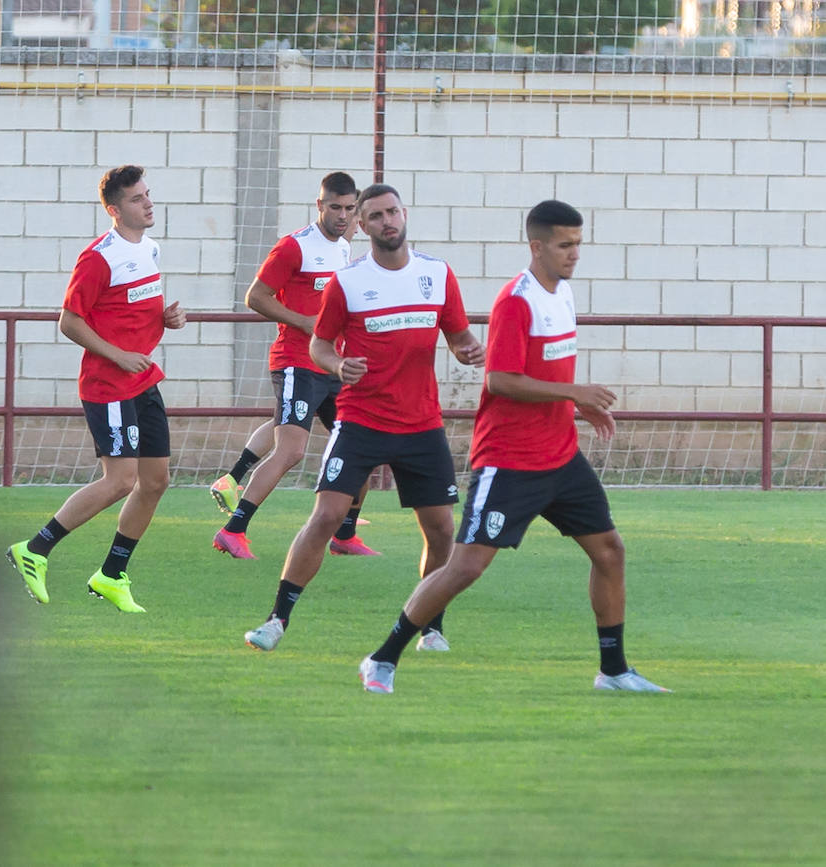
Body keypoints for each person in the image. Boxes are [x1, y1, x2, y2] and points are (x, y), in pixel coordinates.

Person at [357, 200, 670, 694]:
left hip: (561, 456)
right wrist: (574, 393)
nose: (574, 255)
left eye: (578, 245)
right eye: (565, 245)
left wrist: (575, 408)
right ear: (537, 246)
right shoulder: (515, 302)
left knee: (610, 551)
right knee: (466, 566)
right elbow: (501, 380)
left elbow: (545, 372)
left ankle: (613, 671)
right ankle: (382, 658)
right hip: (510, 461)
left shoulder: (562, 293)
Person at [242, 183, 485, 652]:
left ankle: (431, 627)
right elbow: (320, 343)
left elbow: (457, 335)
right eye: (375, 216)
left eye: (392, 212)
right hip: (361, 421)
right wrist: (336, 365)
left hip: (421, 424)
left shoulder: (437, 274)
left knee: (441, 529)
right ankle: (276, 620)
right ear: (362, 225)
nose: (387, 221)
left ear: (405, 214)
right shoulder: (348, 282)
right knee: (327, 516)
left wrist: (467, 350)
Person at [6, 165, 186, 613]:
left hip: (143, 381)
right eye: (136, 199)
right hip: (109, 386)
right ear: (113, 210)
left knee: (156, 480)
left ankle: (111, 575)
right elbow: (69, 321)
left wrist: (165, 319)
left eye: (148, 195)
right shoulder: (98, 257)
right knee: (120, 481)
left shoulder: (151, 249)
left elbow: (132, 309)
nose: (148, 203)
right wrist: (118, 355)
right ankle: (35, 548)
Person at [211, 171, 379, 561]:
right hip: (295, 363)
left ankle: (345, 535)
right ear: (319, 205)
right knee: (291, 451)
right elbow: (256, 297)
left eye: (348, 209)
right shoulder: (294, 247)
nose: (342, 216)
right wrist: (302, 322)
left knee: (364, 445)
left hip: (332, 365)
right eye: (334, 207)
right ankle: (232, 530)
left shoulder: (342, 246)